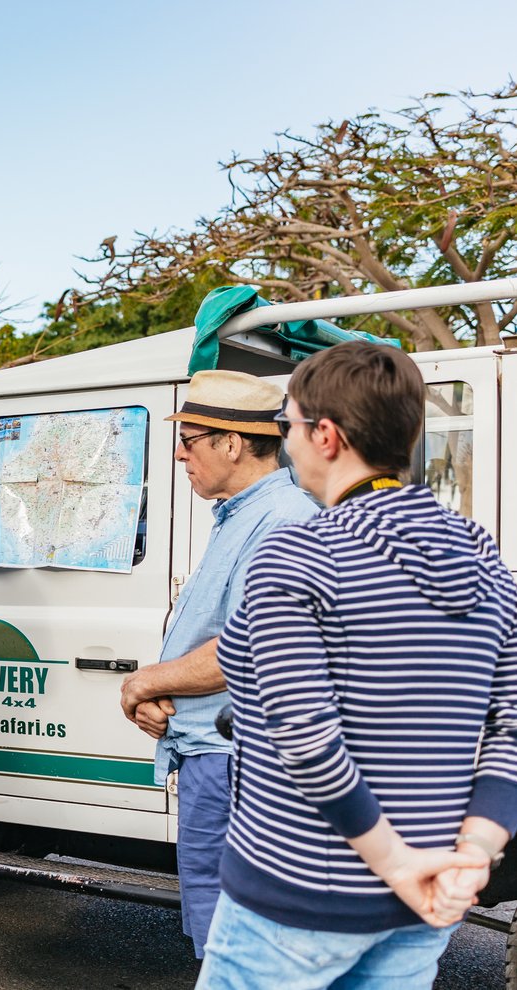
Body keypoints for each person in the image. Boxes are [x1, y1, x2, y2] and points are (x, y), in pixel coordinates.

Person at [198, 342, 516, 988]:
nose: (283, 442)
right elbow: (510, 728)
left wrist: (396, 865)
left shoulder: (300, 555)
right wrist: (471, 858)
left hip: (293, 900)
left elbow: (307, 737)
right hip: (427, 904)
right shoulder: (487, 562)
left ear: (327, 435)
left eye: (286, 424)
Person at [116, 370, 316, 958]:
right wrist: (162, 699)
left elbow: (253, 645)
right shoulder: (241, 515)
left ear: (232, 443)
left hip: (246, 767)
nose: (179, 453)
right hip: (217, 757)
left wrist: (143, 682)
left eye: (191, 438)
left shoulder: (281, 520)